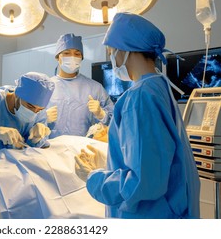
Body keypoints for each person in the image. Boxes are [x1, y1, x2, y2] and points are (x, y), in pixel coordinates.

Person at [74, 12, 200, 218]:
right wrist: (109, 162)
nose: (111, 58)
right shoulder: (159, 87)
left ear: (125, 50)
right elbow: (153, 156)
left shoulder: (140, 97)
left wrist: (94, 178)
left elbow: (144, 183)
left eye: (111, 51)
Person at [46, 33, 114, 138]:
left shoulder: (95, 88)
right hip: (52, 149)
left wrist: (101, 114)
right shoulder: (46, 87)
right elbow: (28, 125)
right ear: (57, 57)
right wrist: (43, 118)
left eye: (77, 54)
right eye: (67, 53)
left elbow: (115, 122)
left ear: (82, 57)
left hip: (84, 150)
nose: (72, 57)